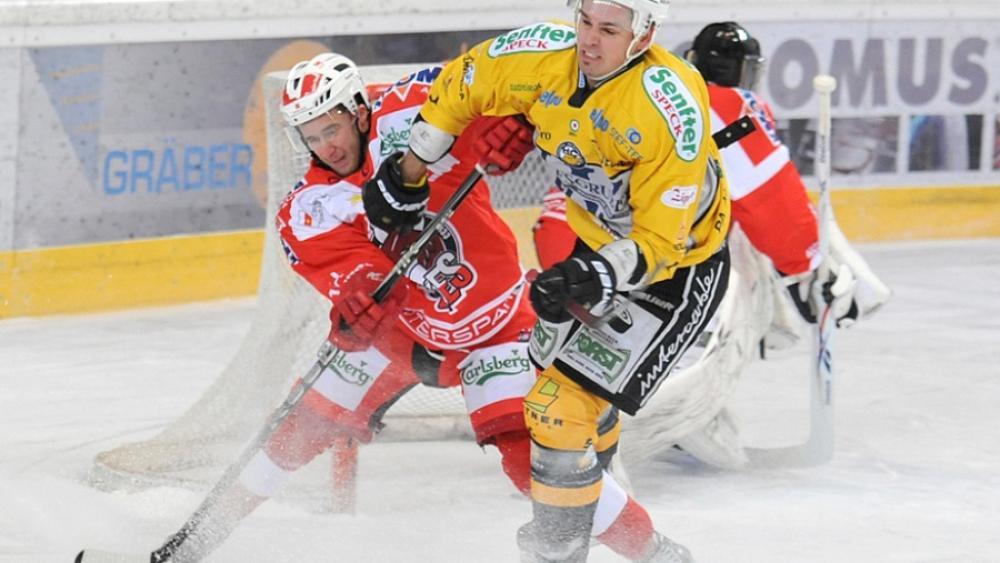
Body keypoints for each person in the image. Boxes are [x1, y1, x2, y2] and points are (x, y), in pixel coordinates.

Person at [149, 52, 665, 562]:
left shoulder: (413, 111)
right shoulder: (309, 210)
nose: (325, 147)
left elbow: (496, 78)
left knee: (529, 463)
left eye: (332, 128)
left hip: (499, 323)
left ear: (357, 110)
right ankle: (190, 547)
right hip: (407, 337)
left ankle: (657, 553)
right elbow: (360, 278)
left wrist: (515, 122)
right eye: (311, 137)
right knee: (291, 431)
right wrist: (360, 302)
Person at [362, 1, 730, 560]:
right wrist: (409, 171)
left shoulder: (669, 104)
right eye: (584, 21)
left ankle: (560, 550)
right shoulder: (541, 53)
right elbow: (461, 86)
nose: (589, 40)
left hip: (675, 273)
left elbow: (663, 242)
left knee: (554, 408)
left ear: (643, 35)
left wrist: (598, 274)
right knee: (552, 376)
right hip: (597, 246)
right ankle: (611, 509)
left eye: (608, 30)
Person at [535, 21, 892, 468]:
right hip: (637, 253)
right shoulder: (725, 104)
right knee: (698, 310)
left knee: (567, 355)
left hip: (567, 237)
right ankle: (591, 455)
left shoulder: (632, 81)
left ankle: (556, 438)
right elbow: (768, 199)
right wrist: (806, 270)